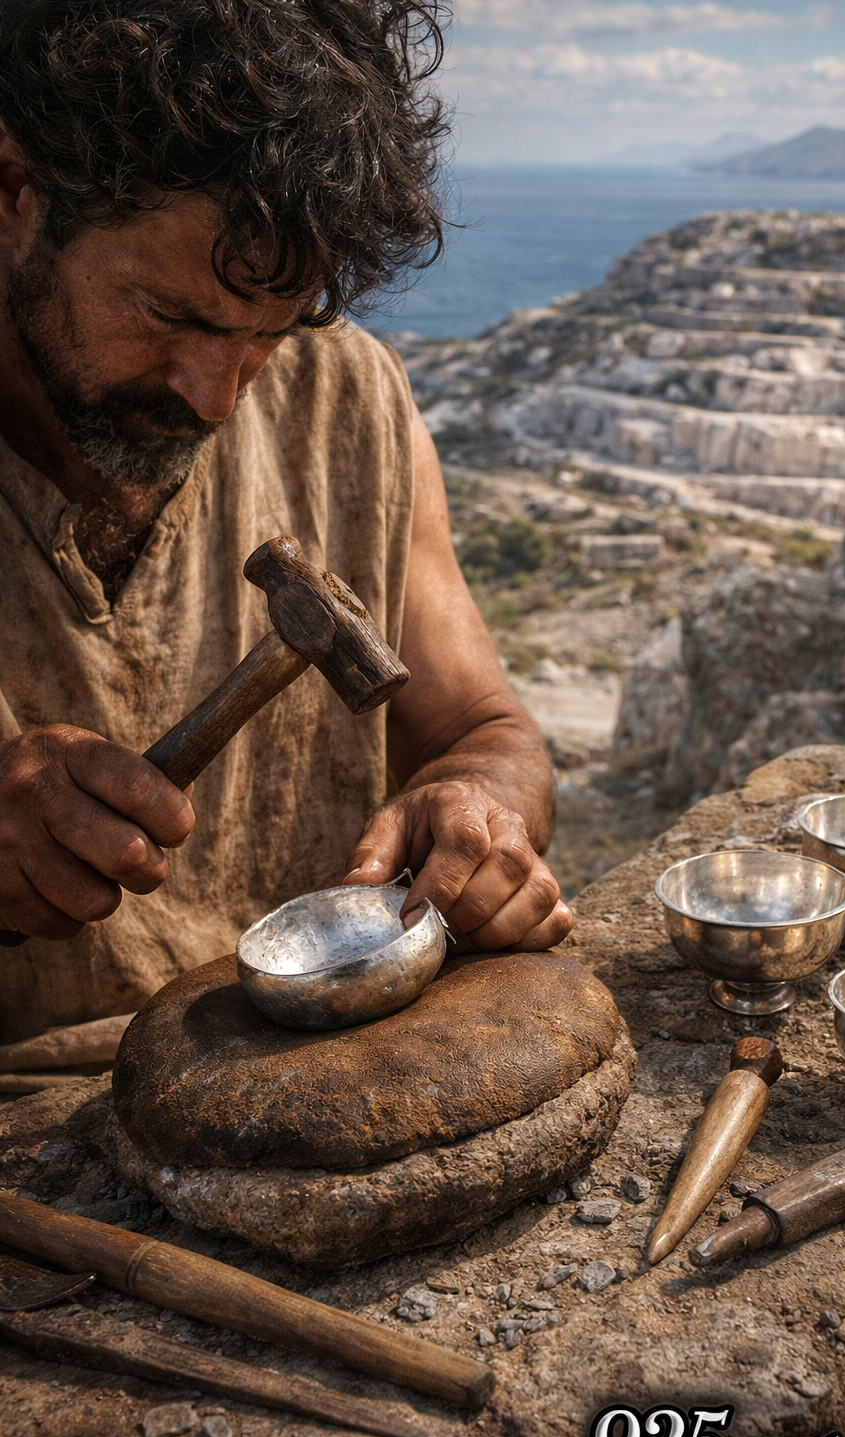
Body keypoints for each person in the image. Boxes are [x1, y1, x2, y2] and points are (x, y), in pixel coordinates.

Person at [0, 0, 572, 1043]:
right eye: (168, 315)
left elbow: (482, 732)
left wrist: (476, 811)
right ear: (14, 190)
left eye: (278, 325)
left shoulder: (343, 394)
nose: (218, 397)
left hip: (324, 1065)